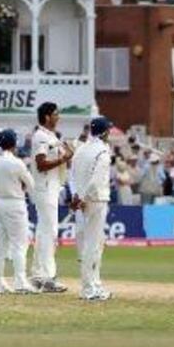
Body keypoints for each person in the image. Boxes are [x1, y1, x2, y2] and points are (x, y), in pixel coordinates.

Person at [69, 116, 114, 301]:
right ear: (104, 132)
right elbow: (96, 180)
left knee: (94, 244)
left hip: (82, 200)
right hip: (95, 200)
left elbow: (72, 176)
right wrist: (84, 197)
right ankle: (89, 289)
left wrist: (77, 196)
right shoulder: (103, 151)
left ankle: (95, 284)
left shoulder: (81, 149)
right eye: (109, 130)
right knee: (92, 245)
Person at [30, 102, 73, 293]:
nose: (58, 117)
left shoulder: (51, 136)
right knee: (50, 232)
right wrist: (63, 159)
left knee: (43, 232)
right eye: (56, 114)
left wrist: (67, 156)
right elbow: (41, 164)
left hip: (52, 187)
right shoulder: (40, 136)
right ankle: (48, 278)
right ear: (47, 117)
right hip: (45, 188)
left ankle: (38, 275)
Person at [0, 129, 38, 295]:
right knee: (19, 244)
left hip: (0, 203)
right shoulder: (17, 163)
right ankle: (20, 282)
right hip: (15, 204)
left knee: (1, 246)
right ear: (14, 144)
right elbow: (31, 185)